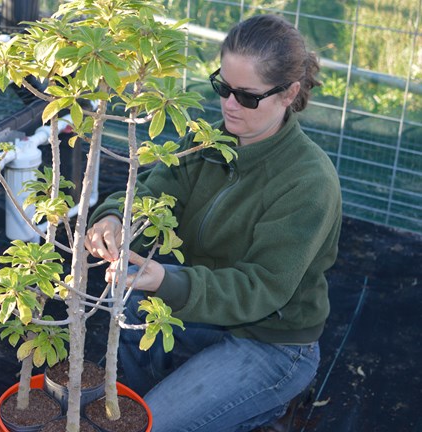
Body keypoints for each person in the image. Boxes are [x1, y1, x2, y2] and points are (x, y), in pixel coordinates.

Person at [84, 14, 342, 432]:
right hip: (201, 309)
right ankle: (186, 396)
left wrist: (168, 281)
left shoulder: (308, 182)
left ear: (289, 93)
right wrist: (115, 216)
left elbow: (262, 288)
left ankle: (262, 405)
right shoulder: (205, 141)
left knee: (150, 424)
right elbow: (152, 189)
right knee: (129, 295)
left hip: (269, 340)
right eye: (222, 87)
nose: (228, 105)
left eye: (247, 96)